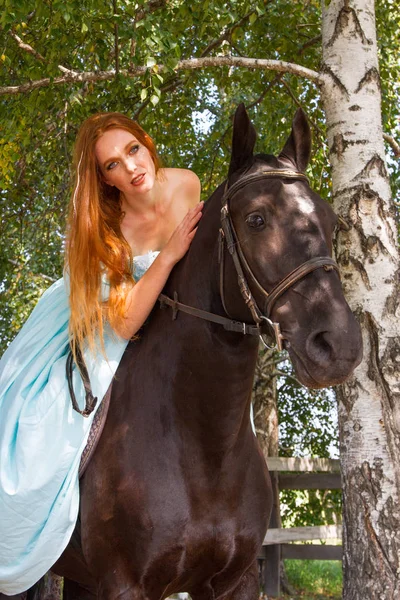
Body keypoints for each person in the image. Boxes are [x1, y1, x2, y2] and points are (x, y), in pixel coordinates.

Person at [0, 112, 203, 595]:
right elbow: (124, 319)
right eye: (112, 165)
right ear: (103, 179)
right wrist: (170, 253)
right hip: (98, 312)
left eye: (132, 149)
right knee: (42, 424)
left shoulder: (187, 184)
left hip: (167, 317)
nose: (131, 167)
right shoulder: (105, 228)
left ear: (146, 142)